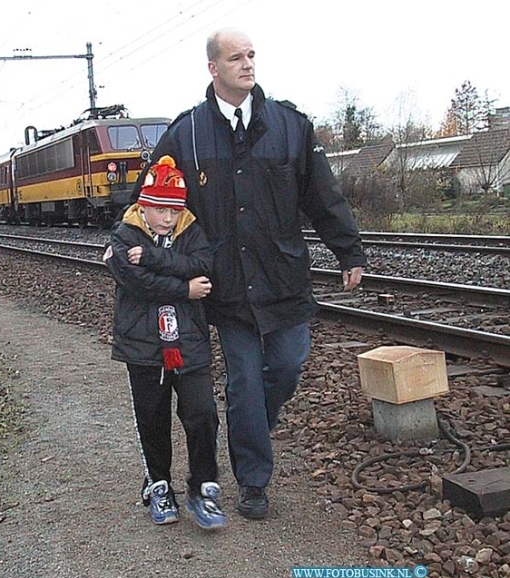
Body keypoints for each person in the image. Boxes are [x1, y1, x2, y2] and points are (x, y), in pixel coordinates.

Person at [137, 28, 367, 520]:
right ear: (213, 69)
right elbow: (149, 200)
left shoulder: (289, 127)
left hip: (282, 276)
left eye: (251, 55)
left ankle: (250, 425)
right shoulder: (187, 134)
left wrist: (349, 251)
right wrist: (131, 248)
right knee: (243, 379)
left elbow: (322, 197)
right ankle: (253, 481)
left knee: (285, 366)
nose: (247, 64)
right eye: (235, 57)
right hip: (227, 286)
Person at [105, 155, 227, 530]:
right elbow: (134, 281)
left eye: (174, 210)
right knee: (151, 417)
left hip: (187, 340)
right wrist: (184, 288)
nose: (168, 218)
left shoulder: (191, 230)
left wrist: (157, 257)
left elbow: (206, 265)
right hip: (143, 344)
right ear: (144, 204)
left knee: (202, 412)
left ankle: (202, 486)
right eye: (160, 210)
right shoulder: (124, 234)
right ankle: (159, 484)